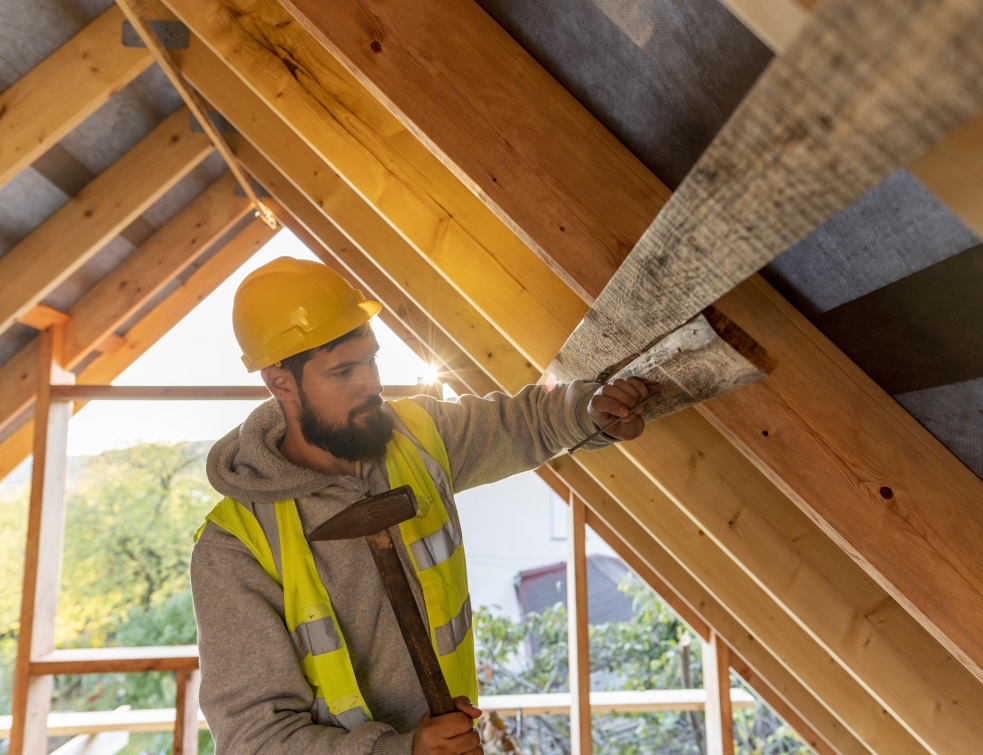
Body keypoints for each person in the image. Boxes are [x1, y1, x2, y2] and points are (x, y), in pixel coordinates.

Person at [191, 257, 649, 754]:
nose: (371, 384)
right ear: (281, 382)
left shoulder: (417, 437)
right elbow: (253, 740)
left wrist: (589, 412)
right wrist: (403, 750)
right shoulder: (235, 547)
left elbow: (526, 424)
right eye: (344, 371)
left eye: (371, 359)